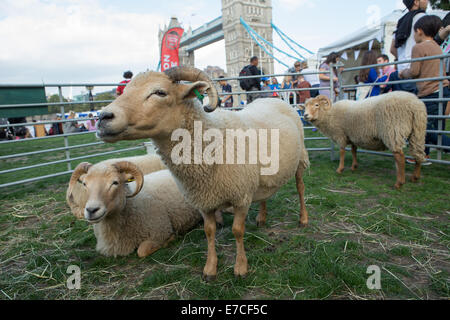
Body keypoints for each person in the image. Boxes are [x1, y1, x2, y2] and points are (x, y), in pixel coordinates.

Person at [401, 15, 450, 165]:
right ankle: (423, 155)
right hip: (444, 90)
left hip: (430, 92)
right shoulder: (437, 46)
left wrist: (403, 73)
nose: (414, 37)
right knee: (430, 126)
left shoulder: (419, 47)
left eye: (414, 33)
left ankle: (426, 152)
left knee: (425, 128)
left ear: (419, 31)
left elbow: (415, 71)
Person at [390, 0, 428, 93]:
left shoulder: (400, 21)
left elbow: (392, 49)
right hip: (419, 73)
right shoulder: (423, 17)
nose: (427, 1)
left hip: (402, 73)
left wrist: (404, 60)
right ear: (416, 2)